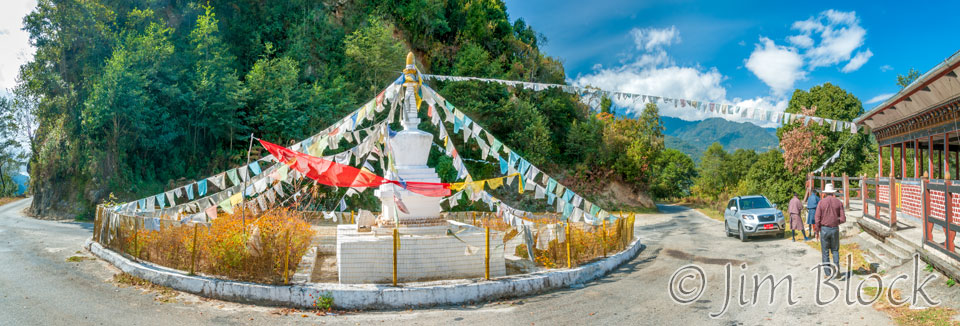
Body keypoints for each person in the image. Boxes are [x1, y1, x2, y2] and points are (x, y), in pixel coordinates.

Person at [814, 184, 846, 278]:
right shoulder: (838, 202)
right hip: (834, 228)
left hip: (824, 229)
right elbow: (843, 219)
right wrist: (836, 222)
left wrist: (817, 230)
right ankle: (837, 271)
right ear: (833, 193)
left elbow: (817, 218)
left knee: (825, 252)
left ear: (825, 193)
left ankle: (828, 273)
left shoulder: (821, 203)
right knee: (835, 250)